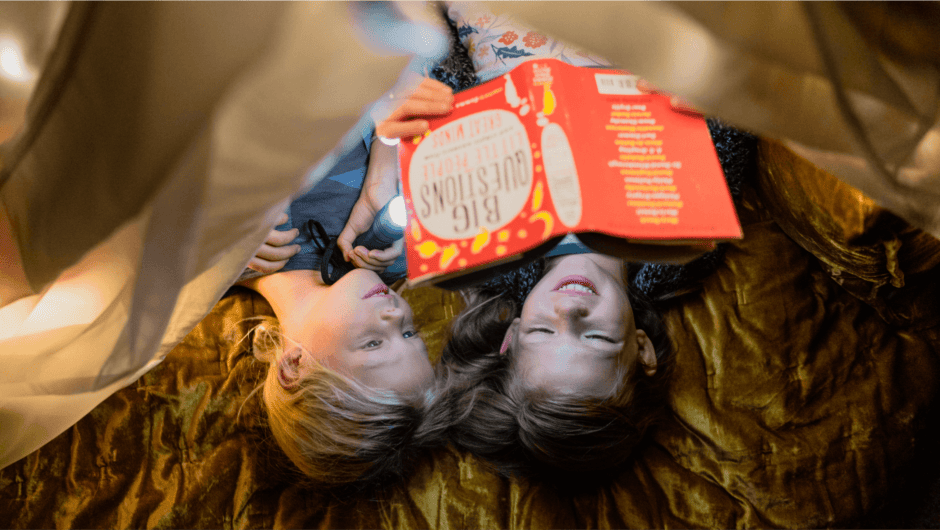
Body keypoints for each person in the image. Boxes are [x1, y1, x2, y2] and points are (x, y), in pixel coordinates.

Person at [233, 77, 465, 487]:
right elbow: (424, 85)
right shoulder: (397, 251)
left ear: (294, 367)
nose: (394, 314)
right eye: (410, 333)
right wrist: (385, 160)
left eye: (374, 343)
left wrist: (210, 219)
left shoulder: (212, 262)